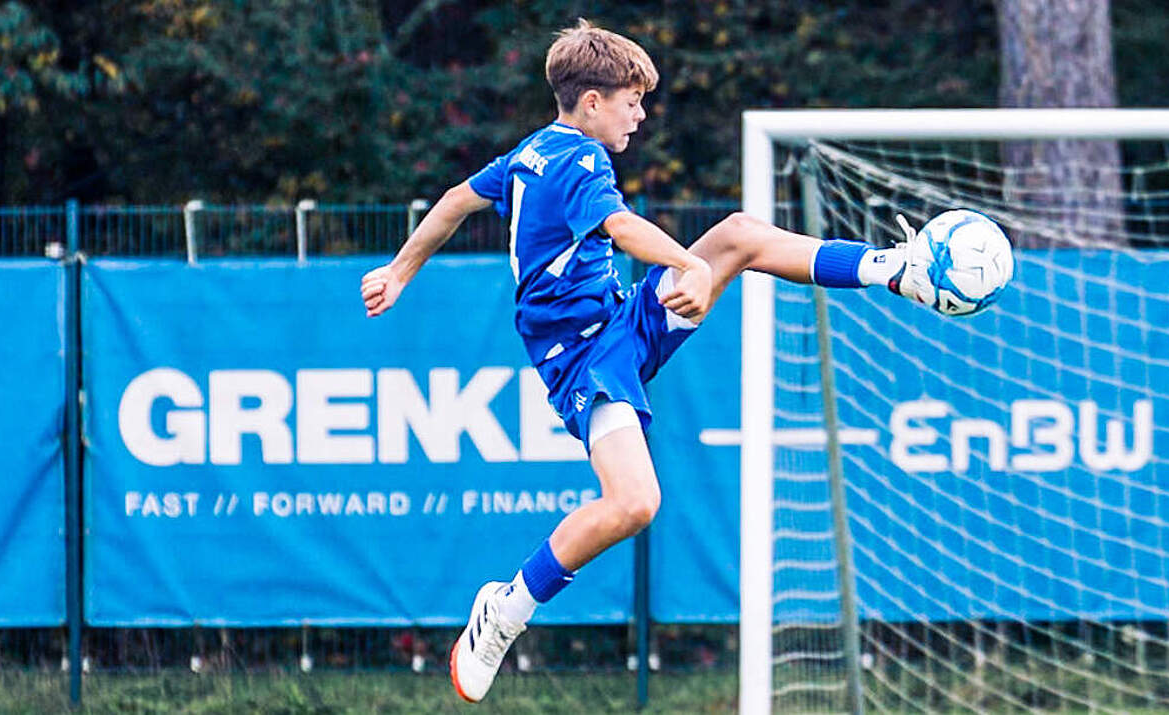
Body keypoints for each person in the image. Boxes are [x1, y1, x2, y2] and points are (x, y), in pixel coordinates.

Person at [359, 18, 929, 703]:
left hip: (617, 322)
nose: (642, 112)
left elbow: (454, 202)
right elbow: (622, 227)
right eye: (633, 99)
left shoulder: (532, 152)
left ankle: (892, 267)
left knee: (742, 235)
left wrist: (400, 270)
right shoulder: (577, 160)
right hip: (583, 357)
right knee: (635, 501)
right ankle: (507, 607)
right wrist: (688, 263)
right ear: (592, 101)